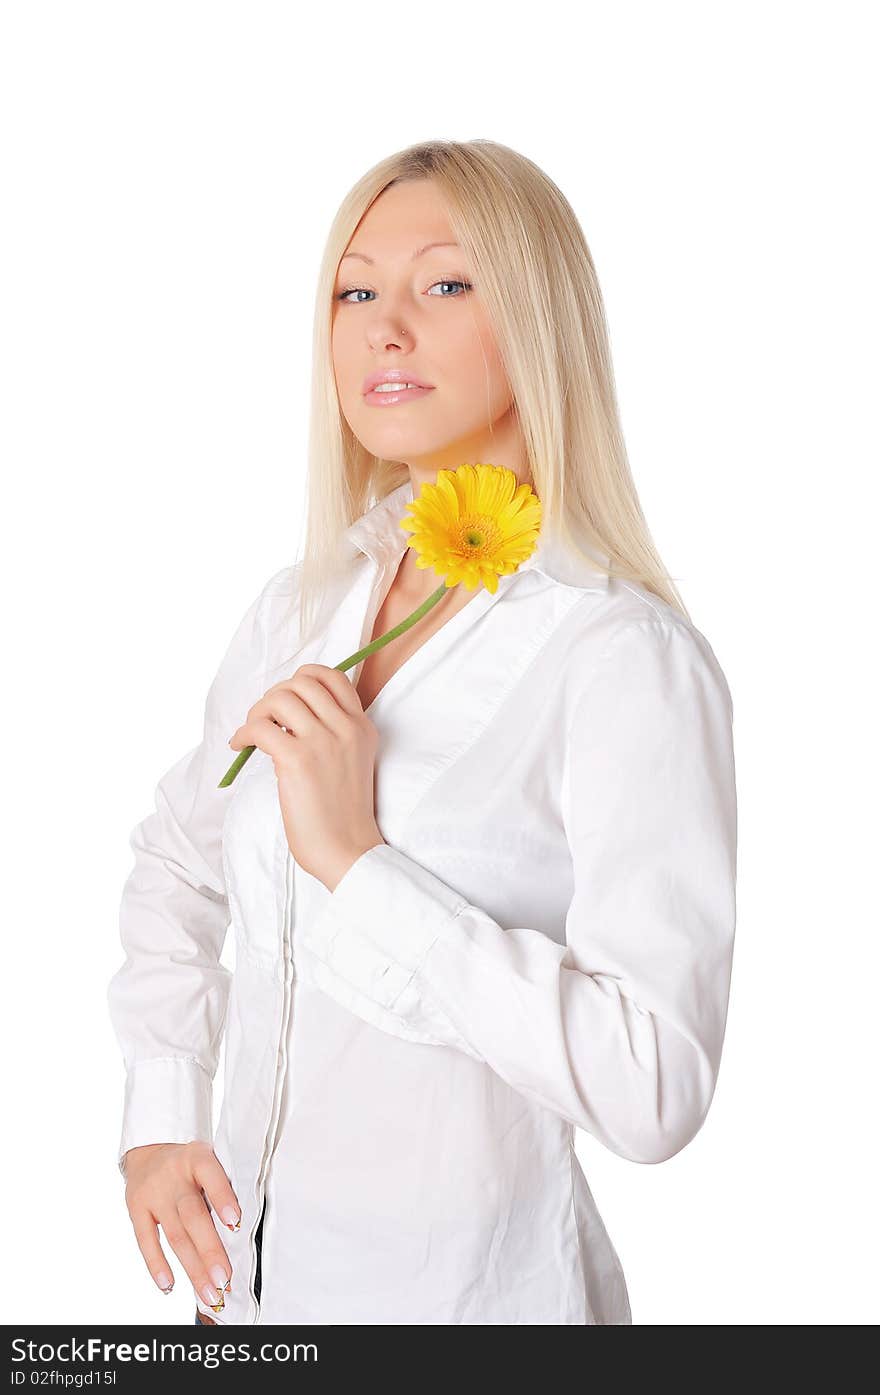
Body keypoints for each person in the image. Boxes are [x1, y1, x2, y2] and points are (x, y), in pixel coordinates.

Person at [107, 140, 738, 1326]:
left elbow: (655, 1086)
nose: (382, 328)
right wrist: (157, 1121)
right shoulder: (298, 611)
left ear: (538, 322)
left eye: (445, 284)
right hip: (243, 1315)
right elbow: (177, 863)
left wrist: (358, 864)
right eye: (354, 291)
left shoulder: (618, 656)